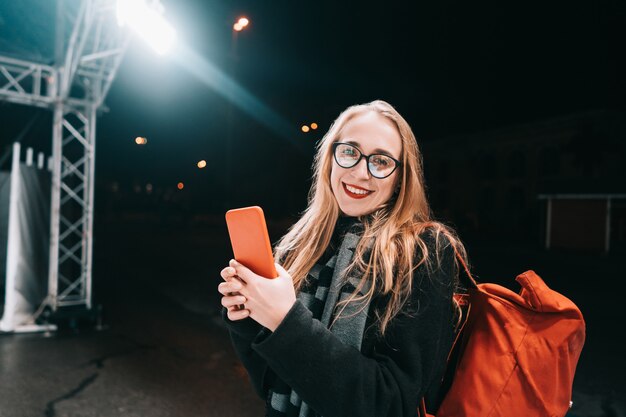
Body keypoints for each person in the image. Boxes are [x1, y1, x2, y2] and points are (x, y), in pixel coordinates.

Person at [217, 100, 469, 417]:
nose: (360, 172)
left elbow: (391, 404)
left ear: (401, 178)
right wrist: (248, 321)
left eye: (380, 161)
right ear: (330, 160)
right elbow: (271, 385)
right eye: (349, 152)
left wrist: (285, 320)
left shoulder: (423, 253)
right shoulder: (303, 244)